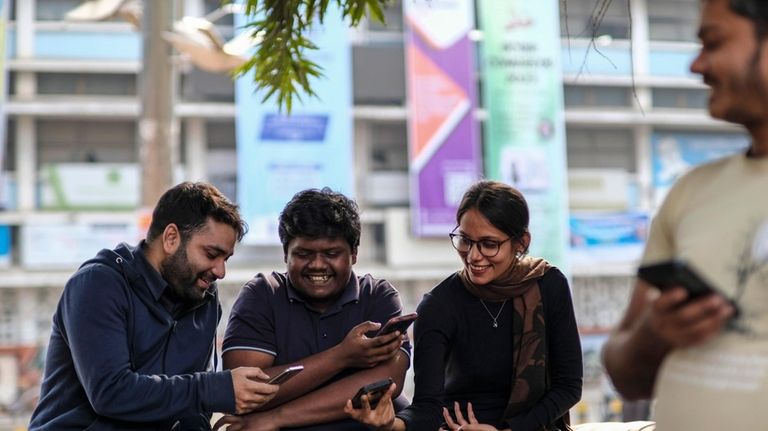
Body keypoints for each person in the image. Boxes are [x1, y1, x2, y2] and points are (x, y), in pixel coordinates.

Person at [601, 0, 768, 429]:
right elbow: (625, 373)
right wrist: (653, 336)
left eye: (714, 43)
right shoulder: (692, 192)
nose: (697, 66)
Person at [29, 182, 279, 430]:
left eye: (226, 259)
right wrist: (217, 388)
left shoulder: (205, 301)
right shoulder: (98, 284)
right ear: (171, 238)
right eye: (211, 254)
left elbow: (192, 409)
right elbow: (111, 393)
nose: (220, 271)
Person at [346, 180, 582, 431]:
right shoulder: (439, 306)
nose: (473, 256)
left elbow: (568, 386)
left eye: (489, 244)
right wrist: (391, 425)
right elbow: (428, 407)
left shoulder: (548, 284)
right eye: (465, 240)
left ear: (521, 242)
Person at [215, 188, 411, 430]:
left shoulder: (379, 297)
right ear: (286, 254)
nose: (317, 265)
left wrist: (276, 417)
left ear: (354, 254)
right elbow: (243, 395)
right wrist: (342, 356)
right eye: (304, 254)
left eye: (331, 253)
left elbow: (389, 381)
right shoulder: (261, 295)